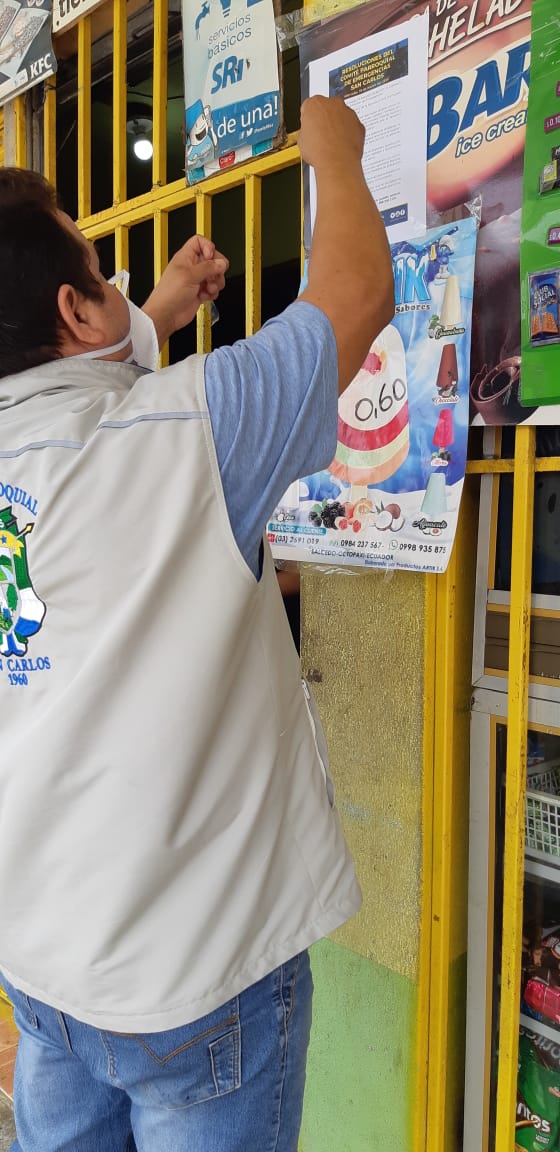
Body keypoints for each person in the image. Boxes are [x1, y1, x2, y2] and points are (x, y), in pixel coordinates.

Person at [0, 95, 393, 1152]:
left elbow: (66, 379)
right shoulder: (186, 433)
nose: (121, 296)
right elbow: (355, 293)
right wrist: (335, 151)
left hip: (39, 963)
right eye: (101, 275)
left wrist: (159, 307)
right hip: (196, 979)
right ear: (77, 312)